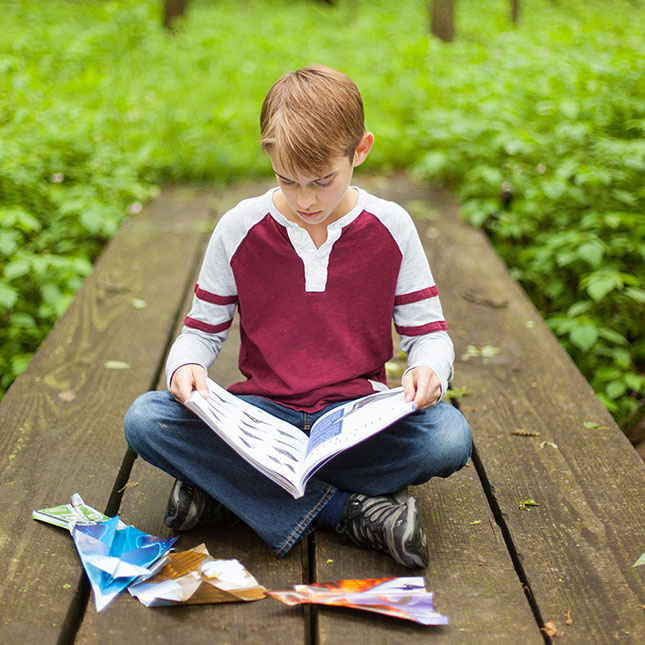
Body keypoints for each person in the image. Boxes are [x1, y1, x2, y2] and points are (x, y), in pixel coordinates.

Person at [125, 65, 471, 569]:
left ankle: (227, 493)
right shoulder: (239, 227)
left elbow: (430, 334)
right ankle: (349, 511)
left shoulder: (392, 226)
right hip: (263, 417)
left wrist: (430, 371)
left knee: (448, 437)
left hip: (355, 420)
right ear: (269, 156)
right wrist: (184, 368)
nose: (306, 200)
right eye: (288, 181)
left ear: (361, 150)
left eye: (322, 181)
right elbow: (201, 331)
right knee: (146, 419)